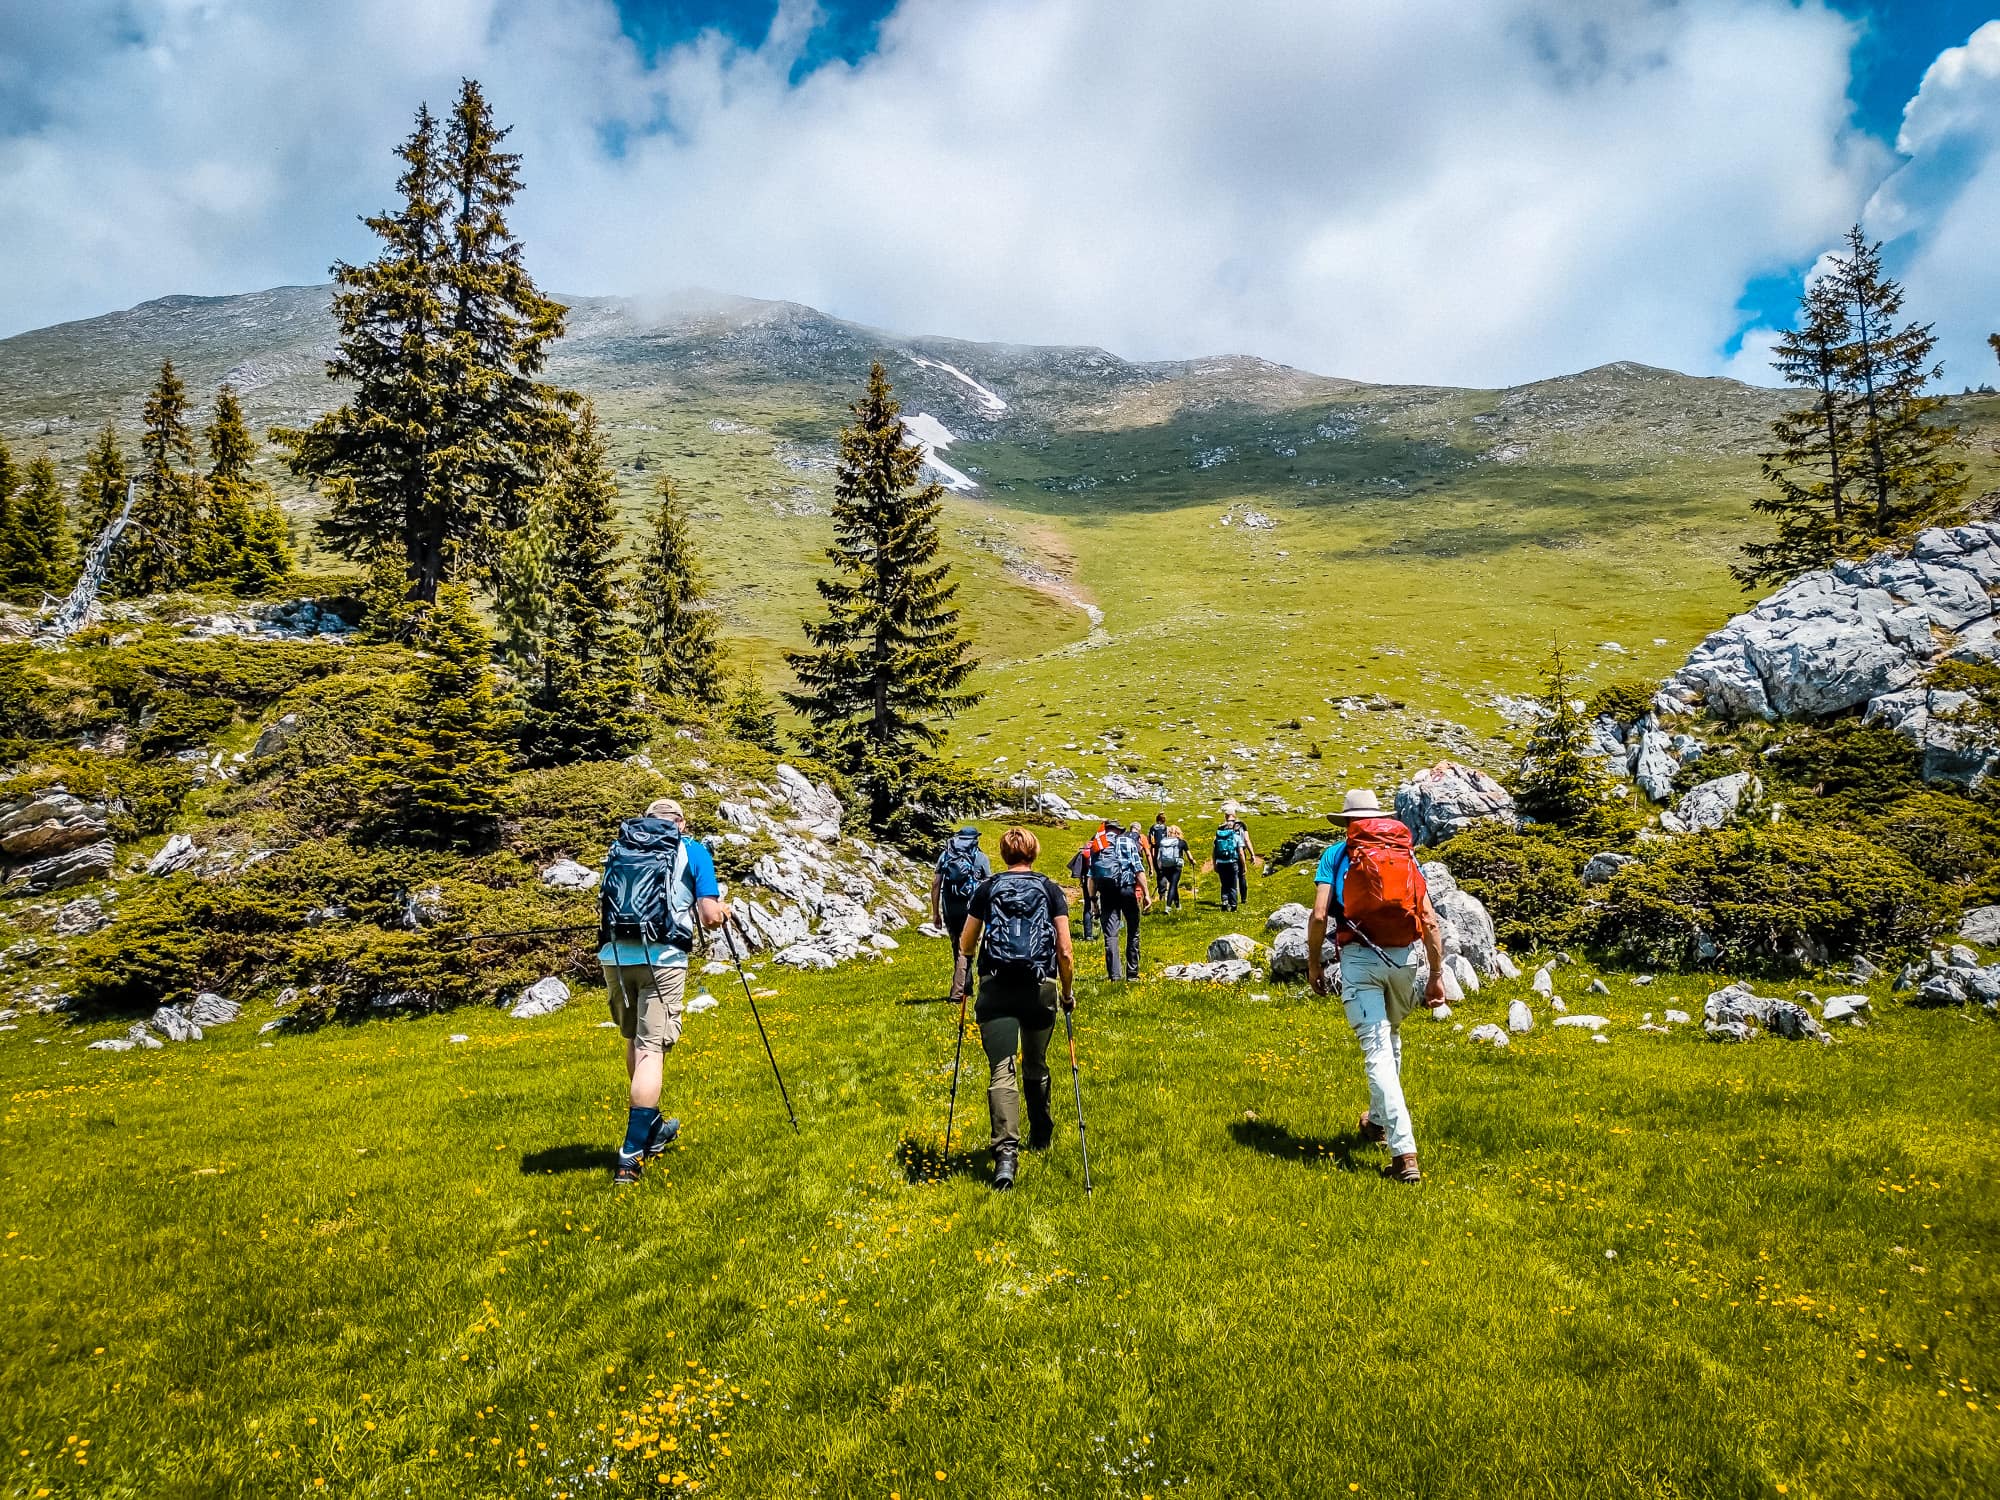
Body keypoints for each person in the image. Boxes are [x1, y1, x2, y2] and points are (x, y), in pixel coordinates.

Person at [1304, 789, 1447, 1185]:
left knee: (1377, 1050)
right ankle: (1377, 1121)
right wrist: (1436, 973)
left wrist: (1314, 963)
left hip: (1361, 958)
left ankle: (1404, 1152)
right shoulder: (1404, 852)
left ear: (1346, 822)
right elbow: (1429, 919)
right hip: (1405, 958)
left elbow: (1319, 915)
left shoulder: (1335, 854)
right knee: (1392, 1036)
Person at [598, 797, 729, 1185]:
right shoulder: (692, 849)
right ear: (681, 823)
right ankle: (631, 1153)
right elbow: (709, 915)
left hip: (615, 956)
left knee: (635, 1039)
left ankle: (651, 1126)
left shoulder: (619, 848)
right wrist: (723, 911)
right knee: (652, 1048)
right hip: (663, 959)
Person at [953, 827, 1076, 1190]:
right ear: (1034, 852)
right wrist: (1066, 993)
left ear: (1004, 854)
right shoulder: (1050, 889)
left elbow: (966, 942)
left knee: (1000, 1070)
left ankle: (1006, 1154)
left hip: (997, 988)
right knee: (1035, 1063)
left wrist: (969, 968)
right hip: (1040, 987)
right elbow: (1065, 951)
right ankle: (1041, 1132)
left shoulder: (987, 888)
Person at [931, 826, 991, 1000]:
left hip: (949, 907)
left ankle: (967, 987)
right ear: (975, 839)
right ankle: (957, 993)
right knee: (965, 949)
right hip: (970, 909)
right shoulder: (980, 857)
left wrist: (936, 913)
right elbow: (988, 886)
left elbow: (936, 884)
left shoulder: (946, 855)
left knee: (957, 946)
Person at [1088, 819, 1151, 980]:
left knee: (1111, 934)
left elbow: (1091, 878)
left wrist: (1093, 901)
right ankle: (1132, 973)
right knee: (1133, 929)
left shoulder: (1097, 845)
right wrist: (1147, 894)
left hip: (1107, 891)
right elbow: (1138, 869)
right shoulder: (1127, 841)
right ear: (1118, 830)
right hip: (1126, 889)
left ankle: (1115, 975)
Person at [1208, 811, 1258, 912]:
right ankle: (1240, 900)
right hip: (1236, 856)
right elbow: (1247, 840)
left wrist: (1214, 863)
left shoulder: (1220, 829)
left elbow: (1215, 848)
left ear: (1225, 817)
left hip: (1222, 860)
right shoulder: (1241, 825)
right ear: (1235, 815)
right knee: (1239, 877)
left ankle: (1225, 901)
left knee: (1225, 882)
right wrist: (1252, 854)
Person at [1153, 822, 1190, 912]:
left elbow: (1159, 855)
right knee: (1173, 885)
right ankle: (1168, 907)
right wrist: (1192, 861)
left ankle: (1177, 905)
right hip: (1176, 866)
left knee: (1173, 885)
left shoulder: (1163, 842)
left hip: (1165, 866)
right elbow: (1190, 856)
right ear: (1178, 832)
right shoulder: (1182, 842)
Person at [1066, 839, 1096, 941]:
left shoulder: (1087, 846)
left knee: (1088, 906)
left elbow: (1081, 867)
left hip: (1087, 878)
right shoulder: (1104, 846)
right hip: (1101, 878)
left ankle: (1088, 935)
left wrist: (1082, 880)